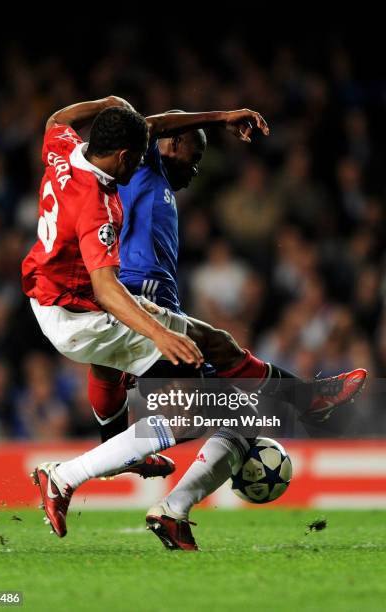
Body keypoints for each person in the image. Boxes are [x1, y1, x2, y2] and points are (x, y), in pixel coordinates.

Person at [23, 98, 366, 541]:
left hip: (73, 299)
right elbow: (108, 289)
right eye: (195, 154)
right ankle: (70, 476)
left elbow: (58, 119)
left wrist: (213, 115)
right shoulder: (100, 199)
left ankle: (303, 403)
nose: (197, 167)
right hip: (90, 307)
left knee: (220, 354)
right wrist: (159, 334)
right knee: (217, 408)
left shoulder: (63, 147)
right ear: (136, 153)